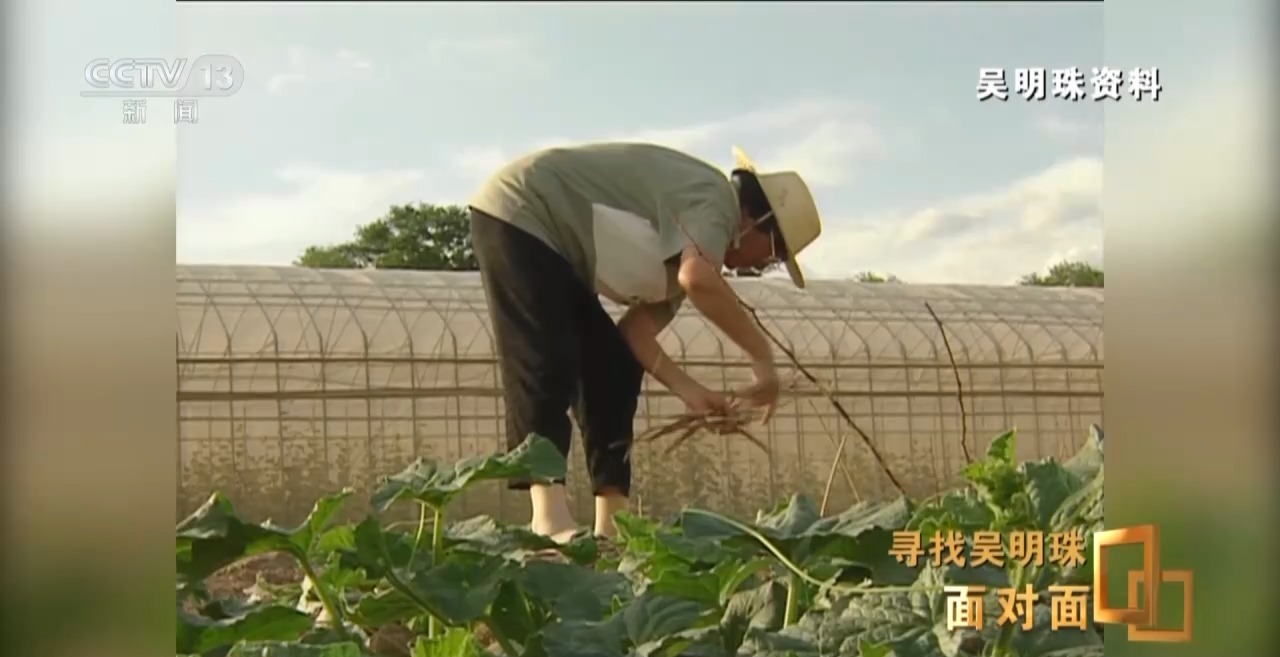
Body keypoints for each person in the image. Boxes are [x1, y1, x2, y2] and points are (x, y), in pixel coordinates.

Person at [467, 142, 822, 543]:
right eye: (773, 256)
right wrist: (762, 359)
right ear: (758, 220)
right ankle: (548, 520)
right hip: (524, 210)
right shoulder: (717, 199)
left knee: (614, 365)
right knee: (545, 357)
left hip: (561, 250)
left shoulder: (686, 256)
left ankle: (612, 525)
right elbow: (698, 279)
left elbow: (635, 335)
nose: (762, 266)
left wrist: (693, 394)